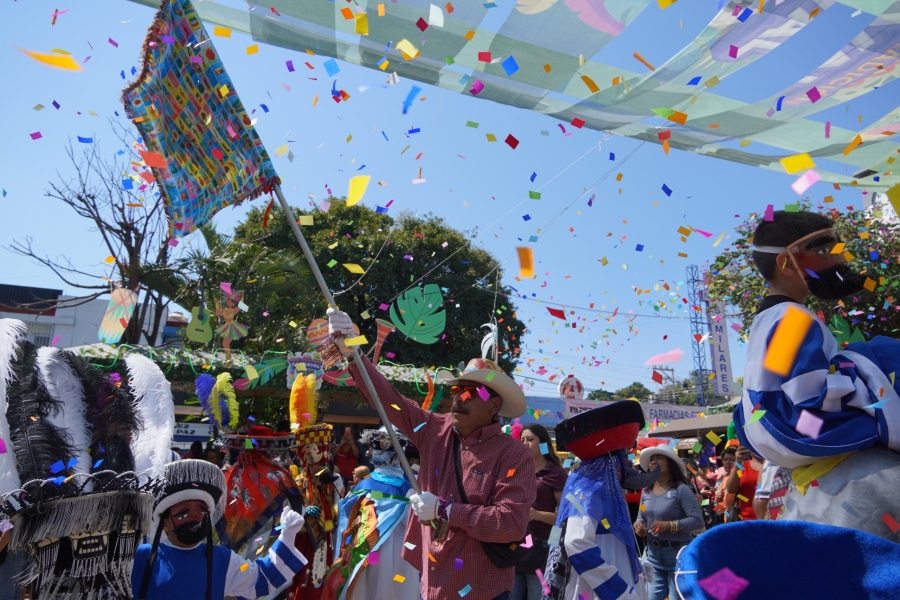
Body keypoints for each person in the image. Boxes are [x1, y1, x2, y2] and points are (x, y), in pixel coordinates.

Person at [327, 308, 535, 600]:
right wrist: (353, 352)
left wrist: (445, 510)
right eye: (456, 390)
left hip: (483, 590)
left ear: (494, 405)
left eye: (471, 393)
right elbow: (389, 400)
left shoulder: (514, 454)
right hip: (430, 584)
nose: (458, 398)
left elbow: (511, 523)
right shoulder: (434, 430)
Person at [735, 209, 900, 466]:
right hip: (802, 428)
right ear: (787, 264)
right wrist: (865, 378)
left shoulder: (769, 316)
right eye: (825, 251)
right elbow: (806, 393)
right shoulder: (792, 317)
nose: (839, 258)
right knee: (884, 352)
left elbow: (781, 383)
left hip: (770, 429)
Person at [132, 459, 309, 599]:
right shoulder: (141, 557)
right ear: (164, 523)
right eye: (184, 513)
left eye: (202, 510)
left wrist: (286, 537)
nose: (195, 516)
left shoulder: (223, 560)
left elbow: (260, 577)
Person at [544, 401, 660, 600]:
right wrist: (617, 590)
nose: (627, 463)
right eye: (624, 456)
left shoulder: (602, 487)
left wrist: (637, 569)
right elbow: (576, 542)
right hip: (599, 589)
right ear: (612, 460)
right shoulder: (591, 489)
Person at [321, 426, 419, 600]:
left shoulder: (364, 485)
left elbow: (346, 516)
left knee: (370, 587)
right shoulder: (408, 488)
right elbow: (414, 524)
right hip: (392, 555)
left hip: (370, 553)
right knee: (390, 588)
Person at [287, 374, 342, 600]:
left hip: (327, 540)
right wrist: (302, 514)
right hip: (304, 541)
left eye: (318, 452)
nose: (316, 459)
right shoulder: (298, 482)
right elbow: (286, 516)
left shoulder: (330, 482)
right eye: (310, 452)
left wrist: (340, 512)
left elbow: (336, 512)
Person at [633, 446, 704, 600]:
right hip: (653, 557)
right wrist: (638, 525)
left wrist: (671, 525)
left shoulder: (682, 490)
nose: (653, 462)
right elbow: (641, 514)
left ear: (670, 464)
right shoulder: (646, 491)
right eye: (651, 459)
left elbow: (698, 521)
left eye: (659, 458)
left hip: (677, 556)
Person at [513, 424, 567, 600]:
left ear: (542, 443)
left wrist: (538, 515)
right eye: (522, 440)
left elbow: (566, 517)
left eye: (530, 439)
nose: (525, 443)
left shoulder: (556, 473)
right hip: (514, 545)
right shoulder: (515, 470)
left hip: (542, 546)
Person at [724, 445, 762, 522]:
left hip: (771, 519)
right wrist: (737, 463)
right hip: (745, 520)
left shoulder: (773, 464)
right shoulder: (742, 466)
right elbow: (731, 489)